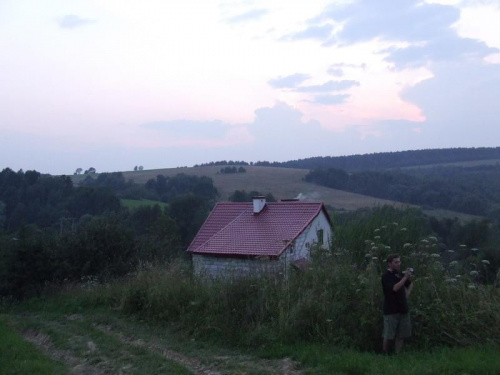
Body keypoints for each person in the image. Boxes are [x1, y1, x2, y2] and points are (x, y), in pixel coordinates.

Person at [381, 253, 414, 354]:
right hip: (391, 309)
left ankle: (397, 354)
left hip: (403, 308)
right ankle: (384, 352)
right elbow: (394, 288)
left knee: (401, 335)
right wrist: (405, 277)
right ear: (389, 264)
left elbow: (410, 283)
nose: (399, 264)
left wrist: (407, 294)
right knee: (388, 335)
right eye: (396, 262)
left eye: (399, 262)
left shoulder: (399, 274)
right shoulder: (386, 276)